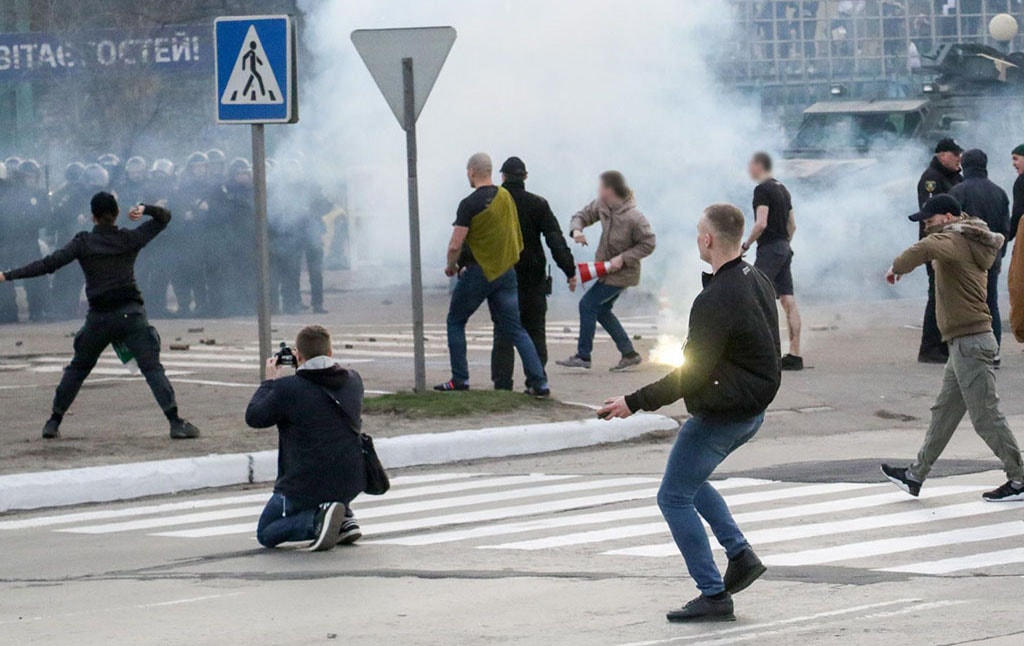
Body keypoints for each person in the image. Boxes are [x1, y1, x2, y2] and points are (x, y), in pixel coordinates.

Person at [598, 203, 781, 622]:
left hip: (725, 412)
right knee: (691, 482)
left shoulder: (717, 297)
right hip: (751, 407)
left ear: (708, 240)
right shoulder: (756, 278)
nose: (697, 236)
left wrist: (633, 402)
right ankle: (740, 555)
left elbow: (688, 376)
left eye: (699, 230)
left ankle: (714, 593)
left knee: (673, 496)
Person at [0, 192, 200, 440]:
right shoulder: (129, 238)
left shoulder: (83, 243)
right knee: (152, 369)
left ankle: (53, 421)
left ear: (93, 217)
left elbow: (48, 264)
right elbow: (165, 218)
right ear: (116, 214)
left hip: (100, 318)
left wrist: (8, 275)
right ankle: (175, 422)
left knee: (78, 369)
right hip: (131, 314)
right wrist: (144, 208)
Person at [882, 195, 1024, 502]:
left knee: (986, 415)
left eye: (929, 220)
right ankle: (915, 476)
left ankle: (1019, 478)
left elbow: (924, 249)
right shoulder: (965, 239)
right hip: (965, 342)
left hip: (971, 341)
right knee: (944, 412)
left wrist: (896, 267)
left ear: (947, 217)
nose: (925, 226)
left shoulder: (953, 241)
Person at [436, 153, 550, 397]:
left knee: (455, 321)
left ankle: (460, 379)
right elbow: (513, 233)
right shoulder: (505, 196)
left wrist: (451, 266)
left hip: (479, 272)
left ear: (473, 171)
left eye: (468, 171)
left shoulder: (469, 204)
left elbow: (456, 244)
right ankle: (540, 383)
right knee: (516, 329)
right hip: (506, 272)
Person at [245, 325, 365, 551]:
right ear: (330, 353)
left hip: (305, 483)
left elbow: (254, 417)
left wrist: (269, 382)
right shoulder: (353, 380)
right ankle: (344, 516)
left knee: (267, 532)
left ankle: (318, 521)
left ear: (298, 356)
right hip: (351, 478)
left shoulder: (287, 389)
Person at [491, 157, 577, 390]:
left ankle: (502, 385)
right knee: (535, 331)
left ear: (503, 177)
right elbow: (555, 240)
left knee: (503, 332)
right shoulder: (538, 204)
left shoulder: (493, 202)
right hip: (533, 275)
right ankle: (536, 381)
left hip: (502, 272)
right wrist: (569, 269)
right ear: (525, 177)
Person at [557, 171, 656, 372]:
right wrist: (577, 231)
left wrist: (624, 258)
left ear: (610, 190)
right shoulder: (602, 206)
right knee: (601, 310)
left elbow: (649, 243)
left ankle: (583, 356)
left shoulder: (635, 218)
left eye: (601, 187)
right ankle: (629, 354)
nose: (598, 191)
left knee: (587, 305)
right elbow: (581, 216)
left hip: (622, 274)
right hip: (605, 270)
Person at [742, 151, 803, 371]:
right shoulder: (782, 189)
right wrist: (784, 245)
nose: (748, 170)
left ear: (759, 165)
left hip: (769, 249)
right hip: (784, 248)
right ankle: (795, 355)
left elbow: (761, 224)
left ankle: (762, 352)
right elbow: (792, 225)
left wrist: (745, 246)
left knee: (755, 295)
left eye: (750, 165)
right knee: (788, 300)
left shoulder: (762, 189)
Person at [949, 149, 1010, 363]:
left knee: (966, 306)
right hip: (992, 259)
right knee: (990, 303)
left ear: (965, 166)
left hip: (966, 261)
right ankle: (994, 352)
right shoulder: (999, 192)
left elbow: (952, 227)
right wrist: (999, 255)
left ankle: (970, 353)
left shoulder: (958, 191)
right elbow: (1005, 229)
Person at [915, 138, 964, 363]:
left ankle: (944, 344)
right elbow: (932, 215)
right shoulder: (931, 179)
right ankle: (930, 346)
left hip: (952, 243)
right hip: (937, 242)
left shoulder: (955, 176)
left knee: (946, 295)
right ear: (942, 155)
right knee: (936, 294)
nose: (958, 158)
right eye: (955, 155)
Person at [1009, 143, 1024, 239]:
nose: (1013, 164)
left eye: (1016, 159)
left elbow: (1018, 214)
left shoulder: (1021, 182)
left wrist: (1006, 235)